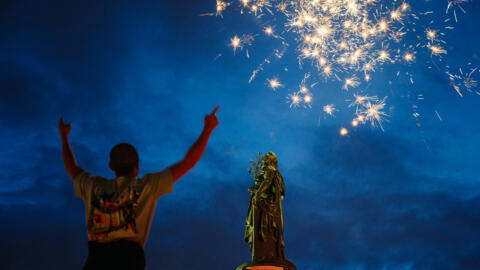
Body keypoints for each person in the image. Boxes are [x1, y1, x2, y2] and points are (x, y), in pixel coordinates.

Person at [59, 105, 220, 270]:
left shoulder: (93, 185)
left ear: (111, 166)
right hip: (128, 258)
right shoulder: (147, 185)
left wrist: (64, 137)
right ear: (137, 166)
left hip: (96, 258)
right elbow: (188, 162)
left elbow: (71, 167)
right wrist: (208, 129)